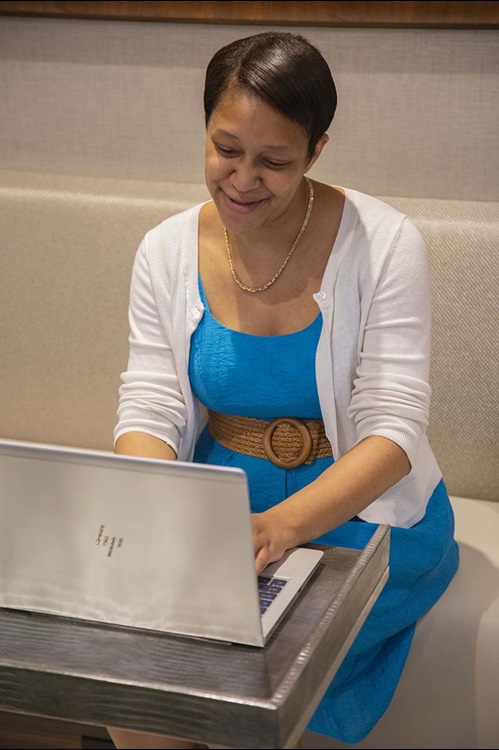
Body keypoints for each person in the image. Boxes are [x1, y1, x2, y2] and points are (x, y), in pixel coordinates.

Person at [108, 31, 459, 750]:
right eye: (224, 148)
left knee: (249, 693)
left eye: (273, 162)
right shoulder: (165, 249)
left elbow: (394, 429)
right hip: (222, 510)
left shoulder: (385, 243)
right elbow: (151, 402)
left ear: (316, 151)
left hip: (361, 514)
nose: (241, 179)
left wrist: (277, 527)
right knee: (139, 693)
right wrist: (159, 508)